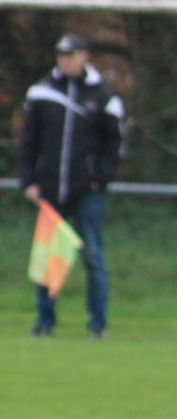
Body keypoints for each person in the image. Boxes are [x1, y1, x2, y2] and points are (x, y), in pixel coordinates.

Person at [18, 32, 123, 338]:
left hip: (86, 191)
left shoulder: (103, 96)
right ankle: (45, 322)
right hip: (50, 190)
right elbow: (29, 142)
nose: (65, 61)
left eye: (71, 55)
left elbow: (114, 144)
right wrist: (29, 180)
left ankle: (98, 324)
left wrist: (99, 179)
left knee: (93, 256)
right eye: (61, 56)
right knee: (48, 258)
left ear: (83, 56)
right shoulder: (42, 92)